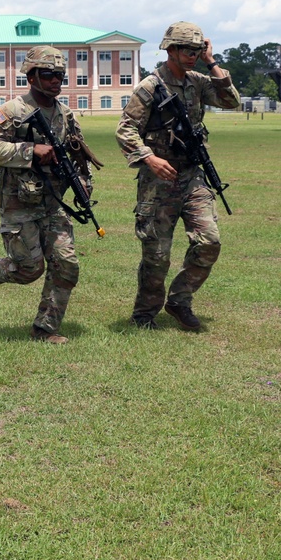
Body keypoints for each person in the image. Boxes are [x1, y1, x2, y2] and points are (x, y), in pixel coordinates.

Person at [116, 21, 241, 331]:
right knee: (157, 256)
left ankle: (179, 301)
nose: (193, 56)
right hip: (159, 181)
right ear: (170, 49)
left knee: (209, 241)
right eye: (188, 50)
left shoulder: (198, 82)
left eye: (198, 51)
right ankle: (144, 314)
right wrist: (149, 158)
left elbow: (231, 101)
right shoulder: (150, 86)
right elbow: (125, 129)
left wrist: (212, 62)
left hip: (191, 176)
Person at [0, 46, 91, 344]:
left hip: (53, 203)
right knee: (29, 269)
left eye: (60, 75)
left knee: (67, 264)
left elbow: (79, 155)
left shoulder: (65, 114)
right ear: (32, 75)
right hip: (18, 203)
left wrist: (84, 185)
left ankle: (45, 328)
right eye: (49, 75)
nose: (56, 81)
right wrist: (29, 151)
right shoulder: (12, 111)